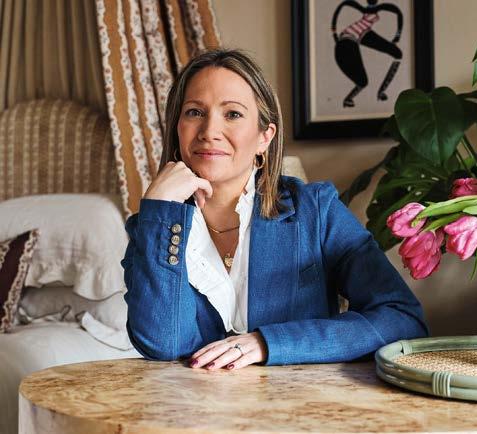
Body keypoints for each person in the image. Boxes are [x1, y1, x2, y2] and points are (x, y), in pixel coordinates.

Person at [121, 48, 428, 371]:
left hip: (298, 400)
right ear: (177, 128)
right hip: (192, 402)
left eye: (233, 114)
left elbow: (402, 319)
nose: (209, 131)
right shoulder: (154, 227)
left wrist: (267, 343)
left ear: (264, 137)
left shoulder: (315, 210)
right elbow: (165, 344)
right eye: (195, 112)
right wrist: (161, 210)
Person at [331, 0, 403, 107]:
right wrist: (334, 32)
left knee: (397, 54)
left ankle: (379, 92)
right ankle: (350, 99)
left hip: (346, 43)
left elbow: (344, 4)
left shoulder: (365, 30)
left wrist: (334, 32)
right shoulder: (368, 13)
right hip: (346, 45)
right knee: (363, 81)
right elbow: (398, 12)